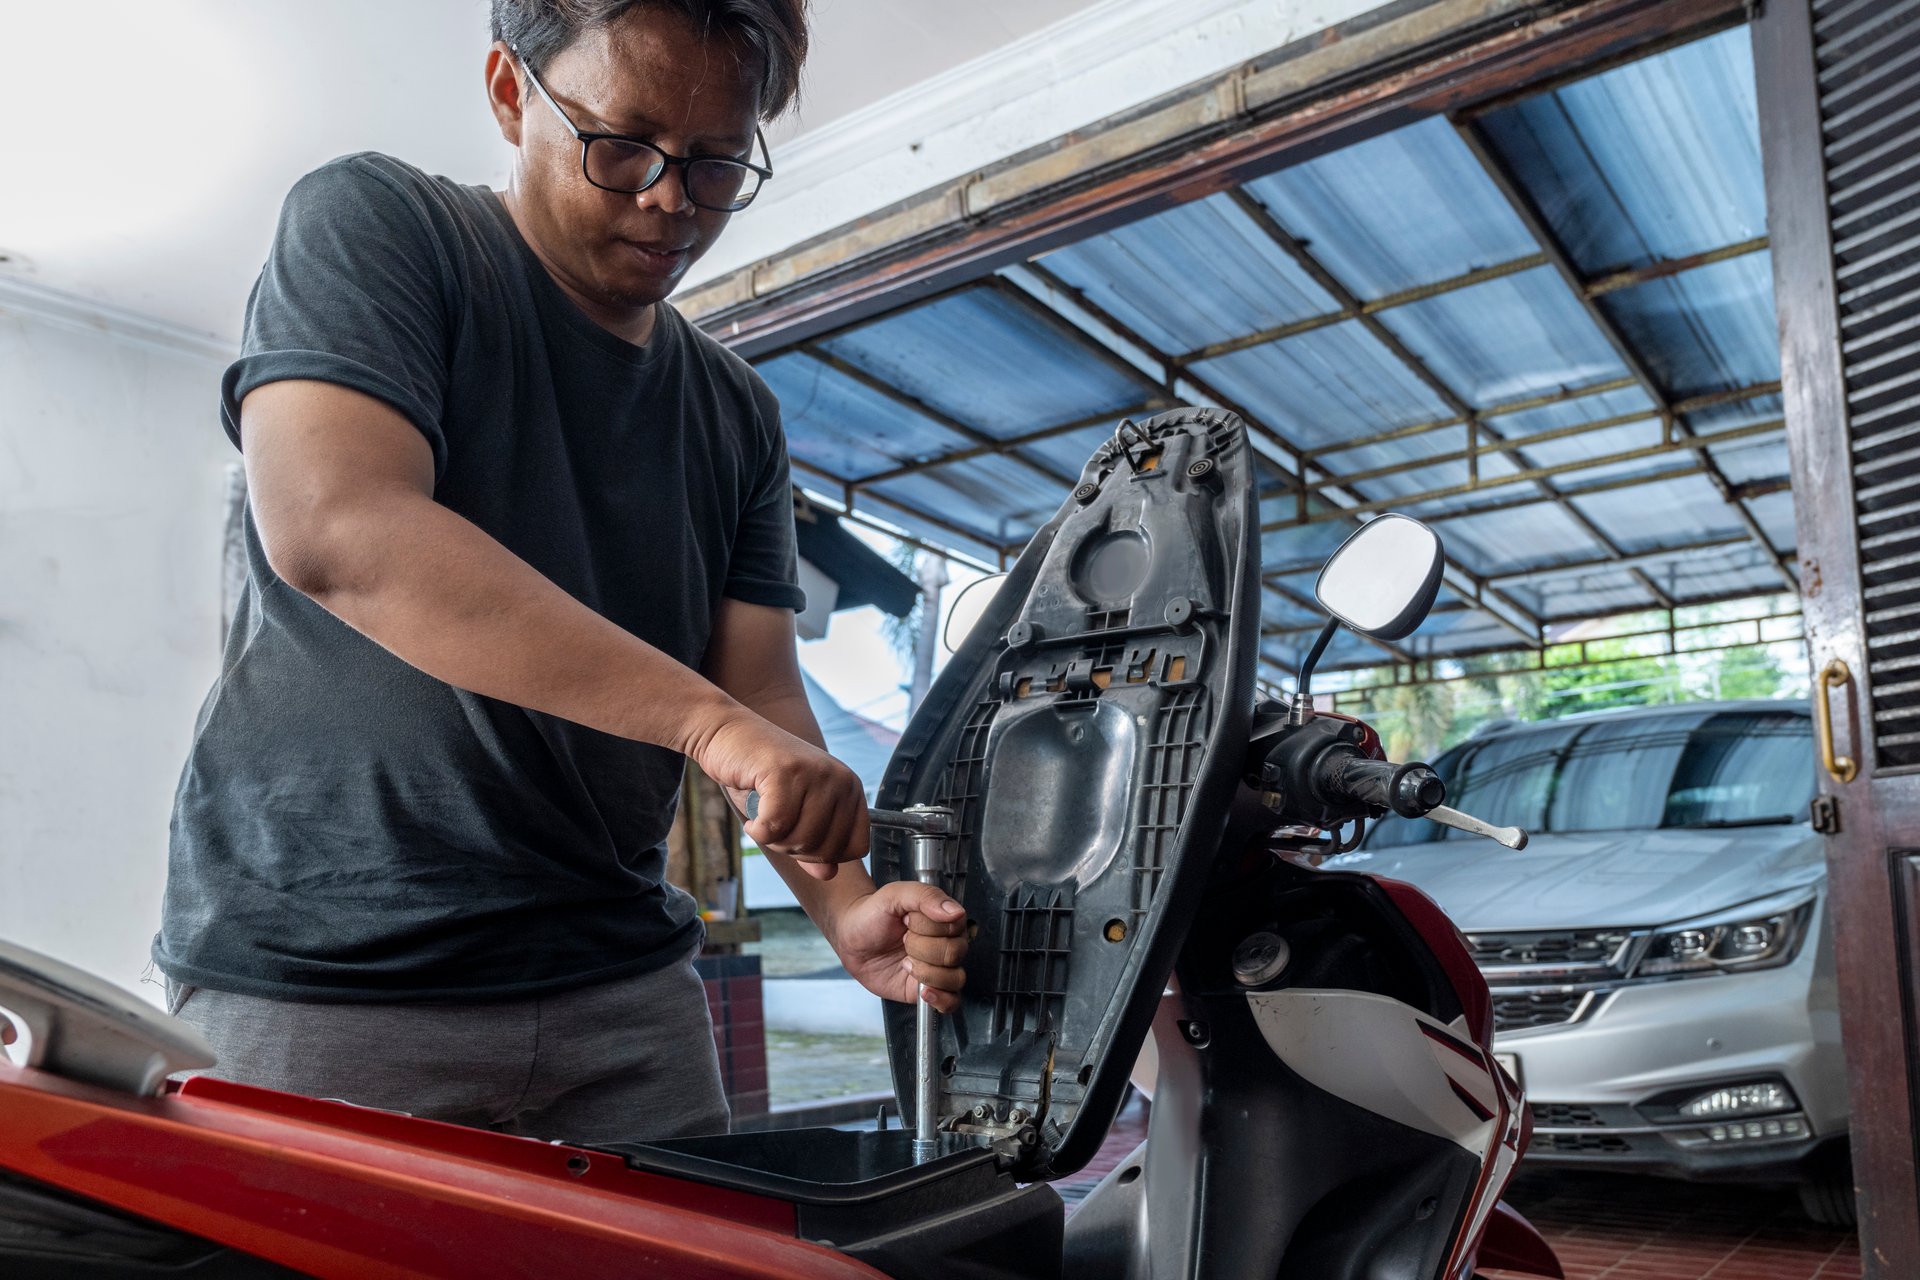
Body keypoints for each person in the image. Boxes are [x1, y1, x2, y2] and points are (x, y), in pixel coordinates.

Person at [150, 0, 967, 1143]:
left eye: (717, 161)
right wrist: (712, 727)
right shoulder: (382, 225)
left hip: (622, 991)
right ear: (507, 91)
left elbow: (763, 694)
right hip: (331, 976)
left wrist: (846, 907)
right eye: (621, 144)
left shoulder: (737, 412)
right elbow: (340, 525)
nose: (671, 199)